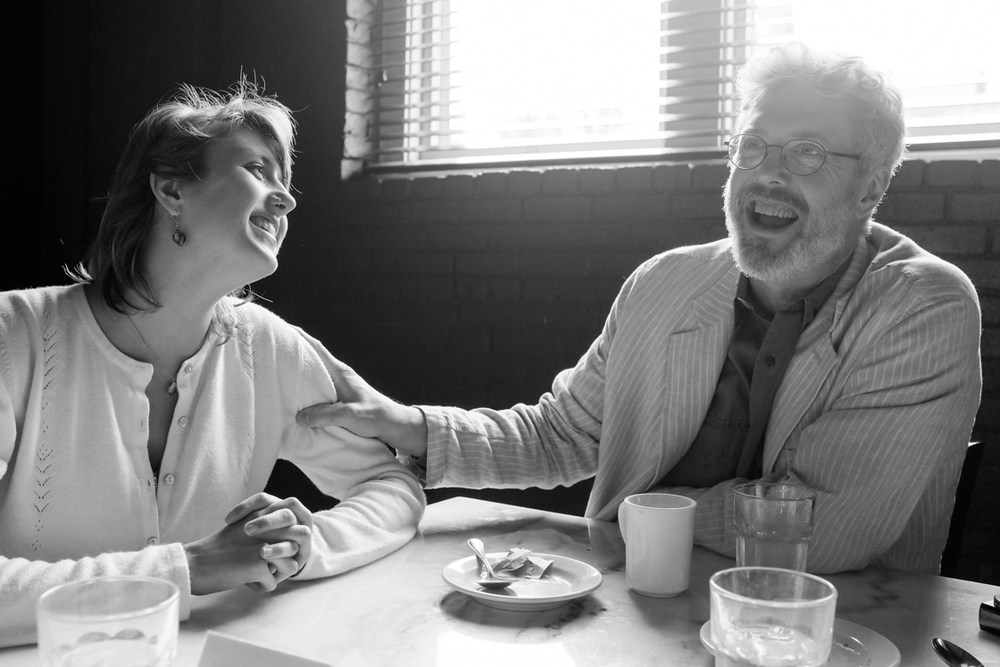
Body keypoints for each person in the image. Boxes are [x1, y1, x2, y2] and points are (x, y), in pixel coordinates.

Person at [296, 43, 982, 576]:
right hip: (637, 610)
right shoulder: (665, 282)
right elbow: (564, 433)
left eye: (807, 152)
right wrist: (414, 428)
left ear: (870, 189)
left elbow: (826, 526)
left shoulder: (925, 306)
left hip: (839, 631)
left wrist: (633, 513)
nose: (769, 171)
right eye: (753, 145)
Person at [0, 81, 424, 647]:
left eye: (285, 180)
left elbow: (392, 485)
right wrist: (191, 568)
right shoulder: (14, 335)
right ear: (171, 189)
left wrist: (297, 547)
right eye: (258, 170)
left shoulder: (271, 349)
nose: (286, 200)